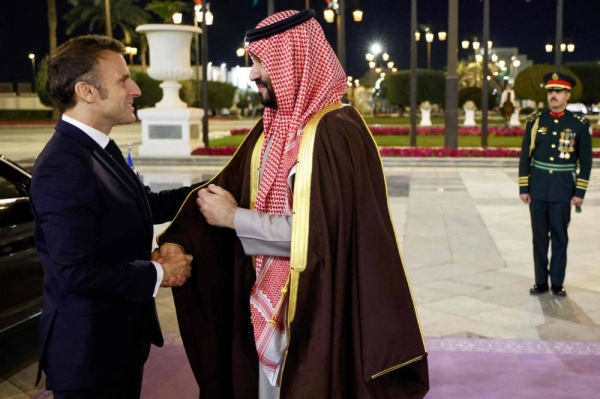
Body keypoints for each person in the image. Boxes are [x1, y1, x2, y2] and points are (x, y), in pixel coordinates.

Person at [156, 9, 429, 399]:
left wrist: (235, 218)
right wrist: (179, 241)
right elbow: (223, 188)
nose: (252, 74)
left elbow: (319, 234)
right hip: (265, 300)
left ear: (292, 61)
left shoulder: (335, 133)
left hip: (316, 303)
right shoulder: (271, 129)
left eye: (259, 62)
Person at [30, 35, 197, 399]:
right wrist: (158, 272)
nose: (135, 89)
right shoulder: (63, 165)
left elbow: (142, 205)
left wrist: (213, 188)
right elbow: (74, 271)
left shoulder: (98, 146)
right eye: (123, 80)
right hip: (89, 358)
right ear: (86, 92)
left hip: (117, 346)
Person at [518, 72, 592, 297]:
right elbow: (525, 156)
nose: (553, 95)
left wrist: (579, 191)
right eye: (551, 91)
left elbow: (586, 161)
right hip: (538, 187)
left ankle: (557, 282)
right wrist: (524, 187)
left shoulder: (578, 124)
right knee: (539, 237)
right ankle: (541, 281)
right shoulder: (535, 121)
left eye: (558, 91)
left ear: (567, 95)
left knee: (559, 236)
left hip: (562, 189)